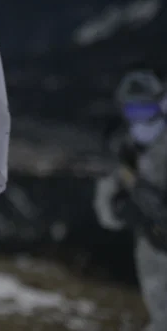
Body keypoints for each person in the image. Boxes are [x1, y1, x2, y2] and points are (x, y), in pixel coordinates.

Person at [94, 70, 167, 331]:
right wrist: (120, 210)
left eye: (147, 109)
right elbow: (106, 211)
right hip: (154, 249)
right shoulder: (123, 148)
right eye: (133, 112)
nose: (141, 121)